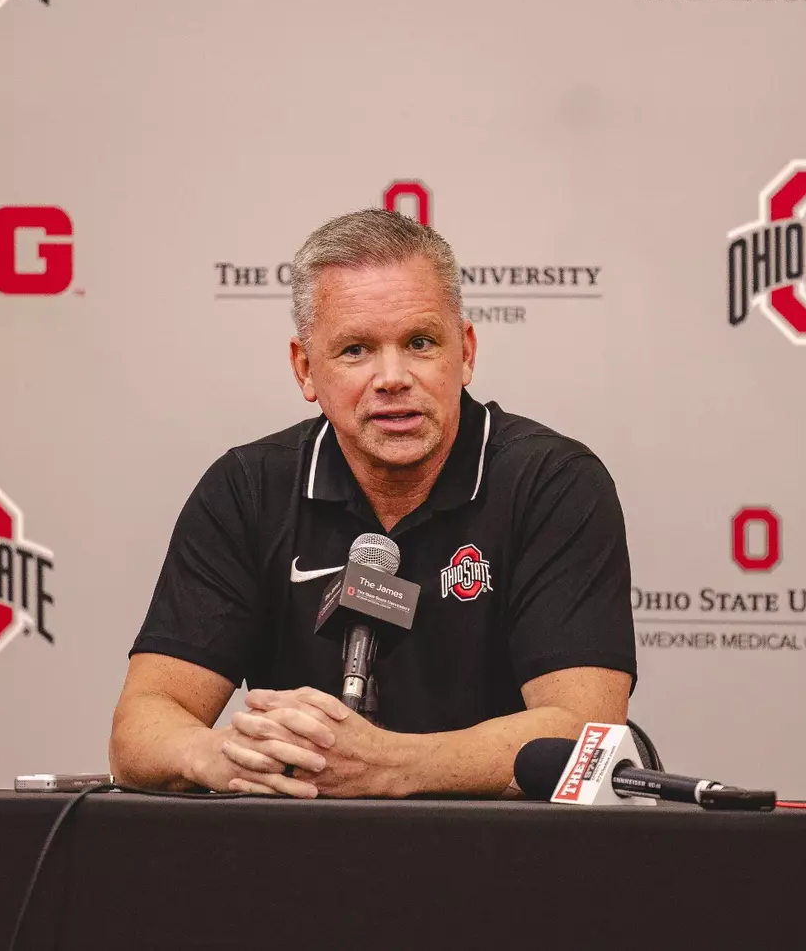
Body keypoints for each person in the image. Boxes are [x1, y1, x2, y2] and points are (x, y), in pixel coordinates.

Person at [108, 209, 635, 798]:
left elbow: (583, 734)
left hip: (502, 860)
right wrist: (224, 755)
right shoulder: (247, 488)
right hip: (300, 864)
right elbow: (143, 723)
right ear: (305, 369)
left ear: (465, 351)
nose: (393, 377)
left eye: (419, 342)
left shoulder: (552, 482)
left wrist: (387, 766)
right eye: (356, 350)